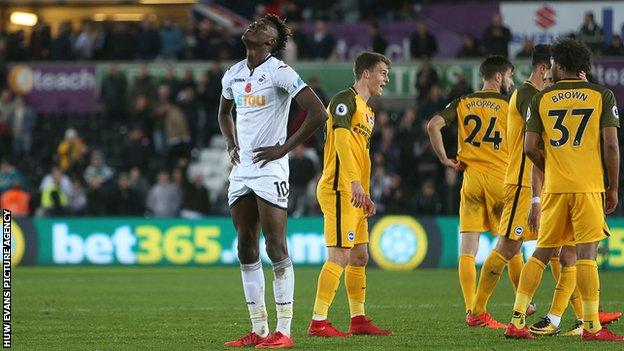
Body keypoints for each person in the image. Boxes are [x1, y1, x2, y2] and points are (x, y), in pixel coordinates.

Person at [504, 38, 624, 342]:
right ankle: (592, 327)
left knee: (542, 252)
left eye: (553, 63)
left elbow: (530, 149)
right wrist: (612, 187)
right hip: (587, 187)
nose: (550, 67)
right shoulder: (601, 94)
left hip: (555, 188)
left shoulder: (541, 99)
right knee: (586, 254)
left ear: (559, 65)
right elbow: (610, 144)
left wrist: (553, 166)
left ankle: (517, 320)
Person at [219, 14, 327, 349]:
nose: (251, 27)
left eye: (260, 27)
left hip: (270, 168)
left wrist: (284, 148)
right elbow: (224, 113)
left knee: (275, 245)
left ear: (269, 42)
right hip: (243, 169)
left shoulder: (280, 71)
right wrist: (231, 143)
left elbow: (318, 112)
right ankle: (260, 330)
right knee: (244, 245)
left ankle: (284, 331)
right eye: (252, 24)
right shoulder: (233, 73)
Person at [308, 52, 392, 338]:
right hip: (339, 188)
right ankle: (318, 322)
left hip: (355, 192)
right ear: (366, 74)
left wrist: (365, 192)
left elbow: (362, 154)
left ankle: (358, 319)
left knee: (359, 256)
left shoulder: (367, 112)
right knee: (340, 256)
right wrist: (354, 182)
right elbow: (342, 141)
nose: (386, 79)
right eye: (382, 73)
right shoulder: (343, 101)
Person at [466, 45, 551, 329]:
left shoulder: (530, 95)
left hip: (533, 181)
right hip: (522, 182)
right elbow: (537, 140)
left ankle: (584, 313)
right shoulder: (528, 96)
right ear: (543, 68)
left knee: (561, 249)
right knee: (508, 247)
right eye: (555, 69)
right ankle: (477, 310)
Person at [427, 56, 514, 323]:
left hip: (471, 180)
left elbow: (433, 125)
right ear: (498, 77)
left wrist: (444, 159)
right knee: (512, 244)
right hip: (501, 179)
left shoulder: (463, 102)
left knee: (468, 249)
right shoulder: (510, 104)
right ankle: (525, 303)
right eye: (510, 76)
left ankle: (471, 310)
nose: (511, 82)